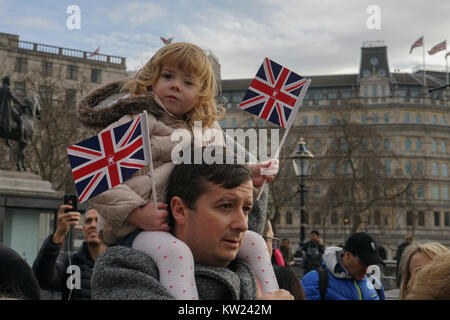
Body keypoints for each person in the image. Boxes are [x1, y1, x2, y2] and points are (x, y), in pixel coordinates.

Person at [78, 42, 279, 299]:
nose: (175, 85)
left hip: (189, 227)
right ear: (153, 79)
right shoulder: (134, 122)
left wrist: (252, 174)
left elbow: (224, 172)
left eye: (188, 82)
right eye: (168, 76)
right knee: (176, 254)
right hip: (136, 230)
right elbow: (91, 177)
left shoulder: (209, 129)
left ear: (201, 93)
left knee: (256, 243)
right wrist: (136, 212)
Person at [91, 147, 293, 300]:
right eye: (225, 206)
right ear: (179, 209)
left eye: (246, 209)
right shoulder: (122, 269)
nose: (242, 224)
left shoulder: (252, 273)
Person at [32, 205, 107, 300]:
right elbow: (42, 279)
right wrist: (59, 234)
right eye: (89, 221)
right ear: (84, 230)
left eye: (98, 220)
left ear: (107, 227)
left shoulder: (117, 264)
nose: (93, 225)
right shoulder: (69, 262)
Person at [301, 232, 385, 300]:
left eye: (370, 264)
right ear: (348, 255)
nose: (366, 269)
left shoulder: (374, 283)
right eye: (363, 263)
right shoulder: (315, 281)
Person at [0, 75, 26, 146]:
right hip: (8, 108)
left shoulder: (0, 89)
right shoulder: (8, 89)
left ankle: (7, 140)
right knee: (21, 121)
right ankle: (22, 138)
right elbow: (14, 98)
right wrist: (22, 104)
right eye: (9, 81)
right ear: (8, 81)